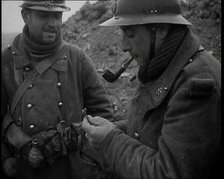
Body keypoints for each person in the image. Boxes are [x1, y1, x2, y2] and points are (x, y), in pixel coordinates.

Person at [81, 0, 221, 178]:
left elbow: (167, 172)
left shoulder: (196, 84)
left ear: (161, 29)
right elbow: (154, 124)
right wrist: (113, 129)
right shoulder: (162, 64)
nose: (124, 46)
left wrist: (109, 141)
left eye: (130, 34)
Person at [1, 0, 114, 179]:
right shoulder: (6, 60)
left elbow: (103, 114)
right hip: (23, 168)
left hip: (71, 168)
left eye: (57, 16)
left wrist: (67, 142)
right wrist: (6, 157)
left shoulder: (77, 58)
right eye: (44, 15)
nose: (53, 23)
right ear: (25, 16)